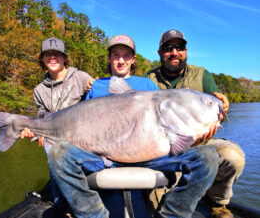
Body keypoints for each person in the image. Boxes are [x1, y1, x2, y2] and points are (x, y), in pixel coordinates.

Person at [47, 34, 220, 218]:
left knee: (207, 157)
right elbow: (80, 123)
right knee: (59, 153)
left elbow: (165, 121)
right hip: (104, 156)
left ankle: (172, 215)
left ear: (133, 59)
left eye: (126, 56)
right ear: (109, 57)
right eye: (116, 55)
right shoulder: (95, 86)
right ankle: (93, 215)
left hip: (152, 157)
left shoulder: (147, 84)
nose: (121, 60)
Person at [147, 29, 245, 218]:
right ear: (160, 53)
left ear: (186, 50)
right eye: (168, 48)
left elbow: (219, 109)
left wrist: (223, 108)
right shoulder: (149, 80)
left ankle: (216, 202)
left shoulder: (202, 75)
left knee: (233, 157)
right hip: (162, 148)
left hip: (201, 142)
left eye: (179, 47)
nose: (174, 52)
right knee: (153, 207)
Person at [20, 37, 93, 214]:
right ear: (42, 59)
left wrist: (94, 84)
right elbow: (42, 117)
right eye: (48, 54)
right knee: (57, 184)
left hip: (81, 137)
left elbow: (97, 101)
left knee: (81, 175)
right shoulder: (39, 90)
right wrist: (35, 132)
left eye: (57, 54)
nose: (52, 58)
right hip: (54, 136)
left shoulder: (81, 77)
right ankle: (60, 204)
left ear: (64, 58)